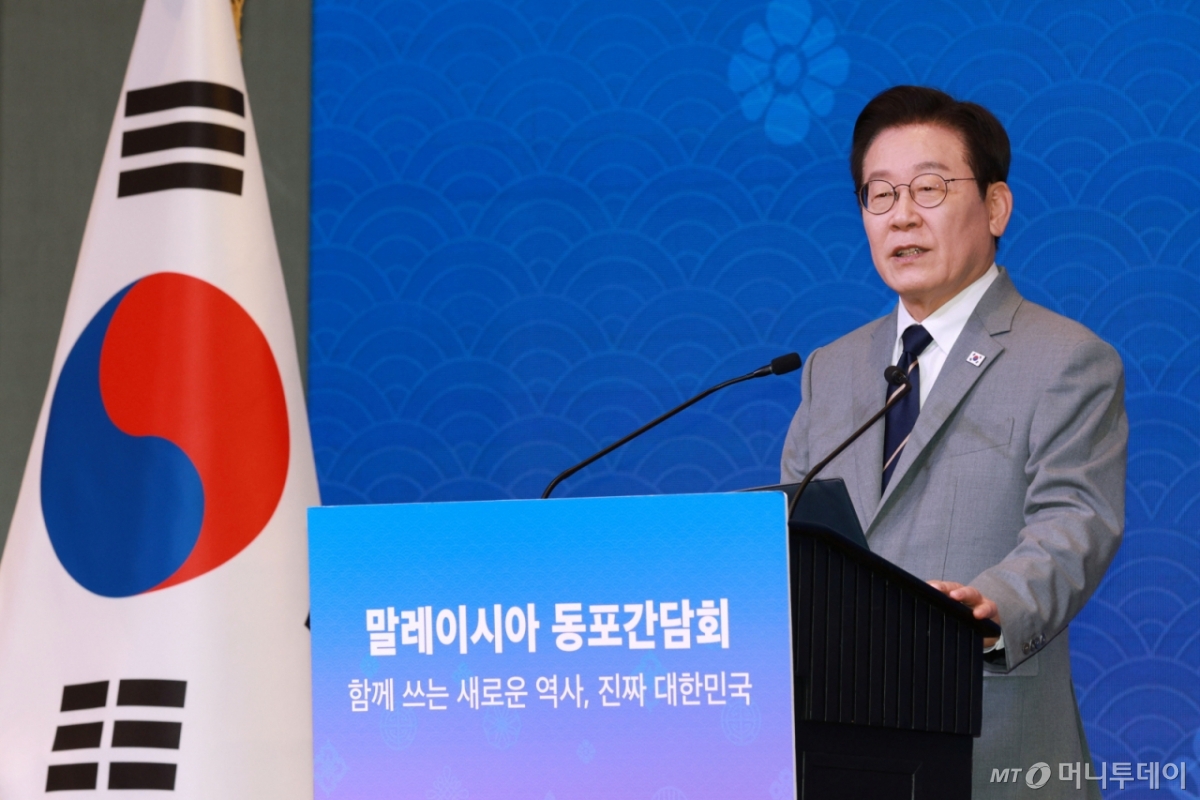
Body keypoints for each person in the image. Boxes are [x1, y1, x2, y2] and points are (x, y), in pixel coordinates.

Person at [781, 85, 1127, 798]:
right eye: (880, 194)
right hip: (836, 749)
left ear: (996, 207)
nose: (902, 214)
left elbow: (1075, 523)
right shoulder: (829, 368)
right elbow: (791, 536)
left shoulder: (1065, 358)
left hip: (989, 743)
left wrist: (990, 604)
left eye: (929, 188)